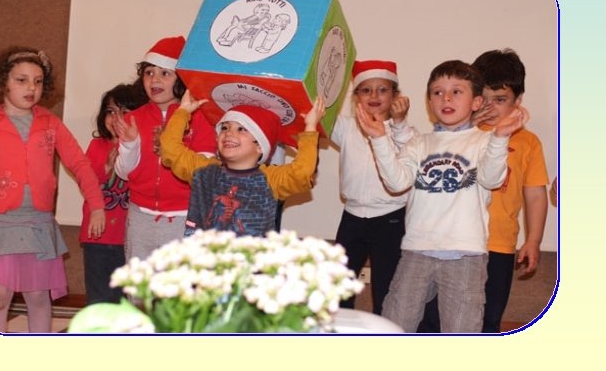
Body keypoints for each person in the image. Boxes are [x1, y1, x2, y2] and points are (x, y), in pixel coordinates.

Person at [356, 60, 527, 333]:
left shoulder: (485, 140)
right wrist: (379, 139)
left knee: (461, 329)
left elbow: (491, 178)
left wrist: (500, 137)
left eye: (456, 91)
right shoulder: (418, 143)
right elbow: (396, 182)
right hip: (417, 250)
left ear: (476, 102)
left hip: (465, 253)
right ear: (429, 102)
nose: (446, 98)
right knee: (393, 324)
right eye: (438, 92)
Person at [0, 47, 105, 333]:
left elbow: (80, 164)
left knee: (38, 297)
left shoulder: (50, 123)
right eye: (21, 80)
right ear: (3, 82)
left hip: (37, 224)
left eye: (37, 81)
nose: (31, 87)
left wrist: (96, 206)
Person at [160, 91, 325, 237]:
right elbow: (170, 151)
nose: (228, 133)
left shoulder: (270, 179)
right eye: (225, 128)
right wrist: (183, 112)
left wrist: (310, 127)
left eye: (241, 129)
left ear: (260, 146)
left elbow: (302, 173)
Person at [113, 36, 216, 260]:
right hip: (140, 217)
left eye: (165, 73)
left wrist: (173, 148)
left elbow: (204, 174)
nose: (154, 80)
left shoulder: (201, 119)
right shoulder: (133, 118)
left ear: (181, 79)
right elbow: (123, 173)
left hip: (184, 217)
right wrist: (130, 144)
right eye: (149, 73)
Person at [472, 49, 549, 332]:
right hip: (457, 241)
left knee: (490, 319)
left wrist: (534, 240)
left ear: (518, 101)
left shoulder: (529, 143)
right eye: (484, 98)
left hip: (500, 244)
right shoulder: (462, 134)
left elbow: (535, 195)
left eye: (500, 100)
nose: (490, 107)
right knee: (447, 316)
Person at [331, 60, 416, 314]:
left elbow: (408, 157)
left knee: (386, 289)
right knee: (337, 286)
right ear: (356, 96)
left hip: (390, 219)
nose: (374, 96)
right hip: (352, 217)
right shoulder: (346, 127)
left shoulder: (405, 132)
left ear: (396, 96)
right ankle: (339, 329)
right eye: (366, 90)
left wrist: (399, 124)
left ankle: (385, 330)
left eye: (382, 90)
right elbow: (319, 111)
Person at [80, 83, 147, 305]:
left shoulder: (143, 148)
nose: (116, 118)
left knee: (127, 298)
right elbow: (86, 183)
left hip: (129, 237)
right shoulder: (97, 145)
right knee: (99, 297)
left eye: (125, 112)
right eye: (110, 111)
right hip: (98, 235)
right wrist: (107, 168)